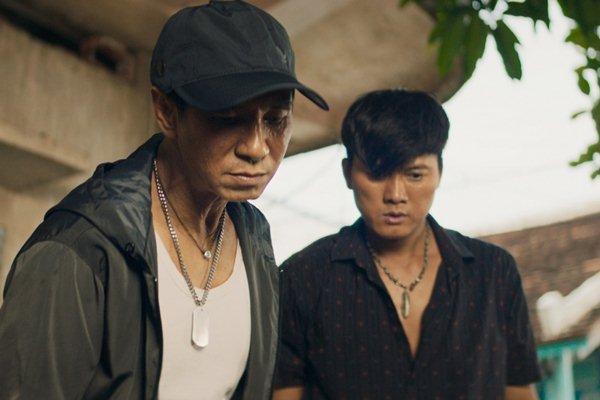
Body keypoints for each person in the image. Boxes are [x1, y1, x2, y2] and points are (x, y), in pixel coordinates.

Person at [0, 1, 328, 399]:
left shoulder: (255, 240)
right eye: (228, 119)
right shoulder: (78, 248)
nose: (257, 148)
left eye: (275, 120)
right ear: (166, 111)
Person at [273, 89, 540, 399]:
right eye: (377, 174)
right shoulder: (302, 278)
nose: (395, 195)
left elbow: (519, 390)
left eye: (414, 175)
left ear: (439, 172)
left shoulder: (494, 272)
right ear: (348, 173)